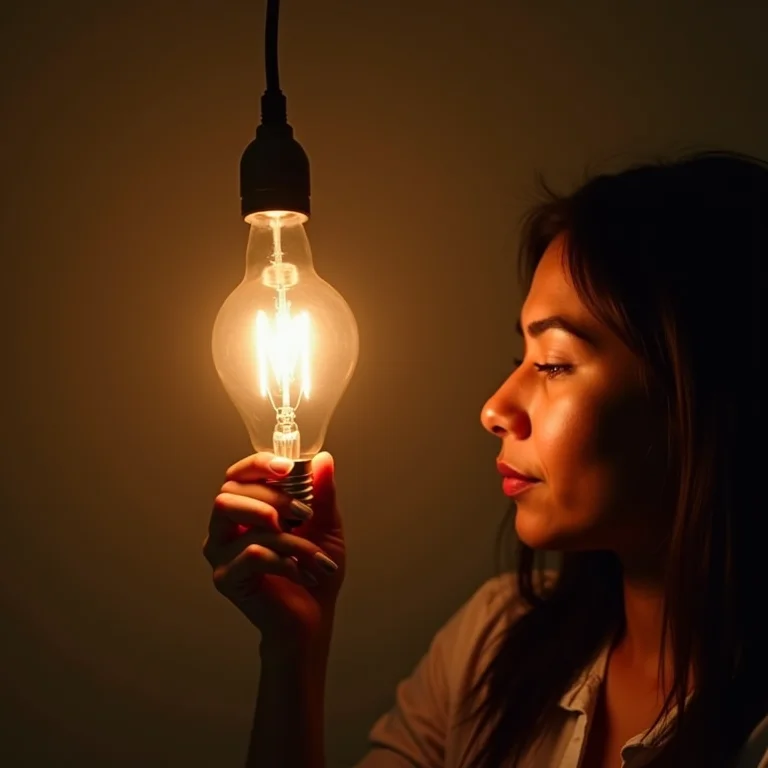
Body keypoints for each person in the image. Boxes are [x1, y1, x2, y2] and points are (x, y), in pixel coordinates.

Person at [202, 151, 768, 768]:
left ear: (710, 389)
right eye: (518, 356)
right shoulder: (491, 644)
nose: (495, 408)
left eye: (552, 363)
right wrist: (294, 655)